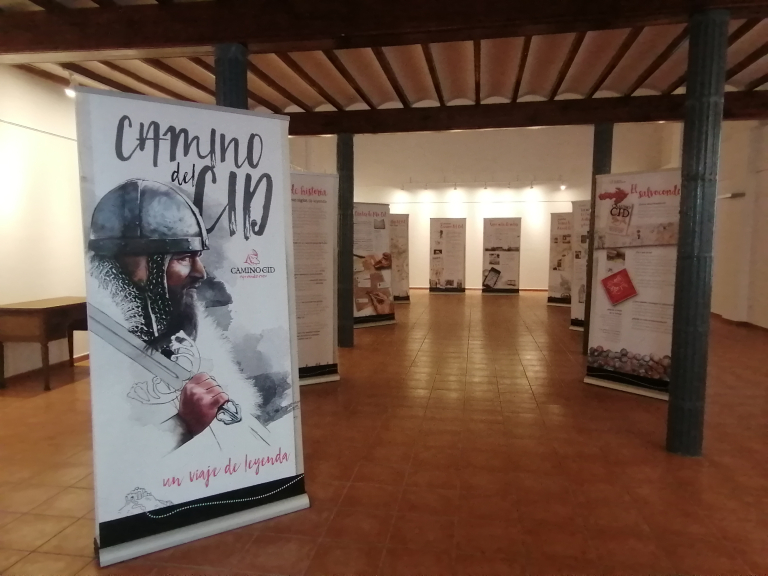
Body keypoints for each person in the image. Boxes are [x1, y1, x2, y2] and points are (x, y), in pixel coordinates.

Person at [87, 179, 262, 452]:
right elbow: (126, 453)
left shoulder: (182, 331)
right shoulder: (108, 349)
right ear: (140, 266)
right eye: (183, 257)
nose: (200, 272)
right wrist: (190, 425)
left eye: (197, 257)